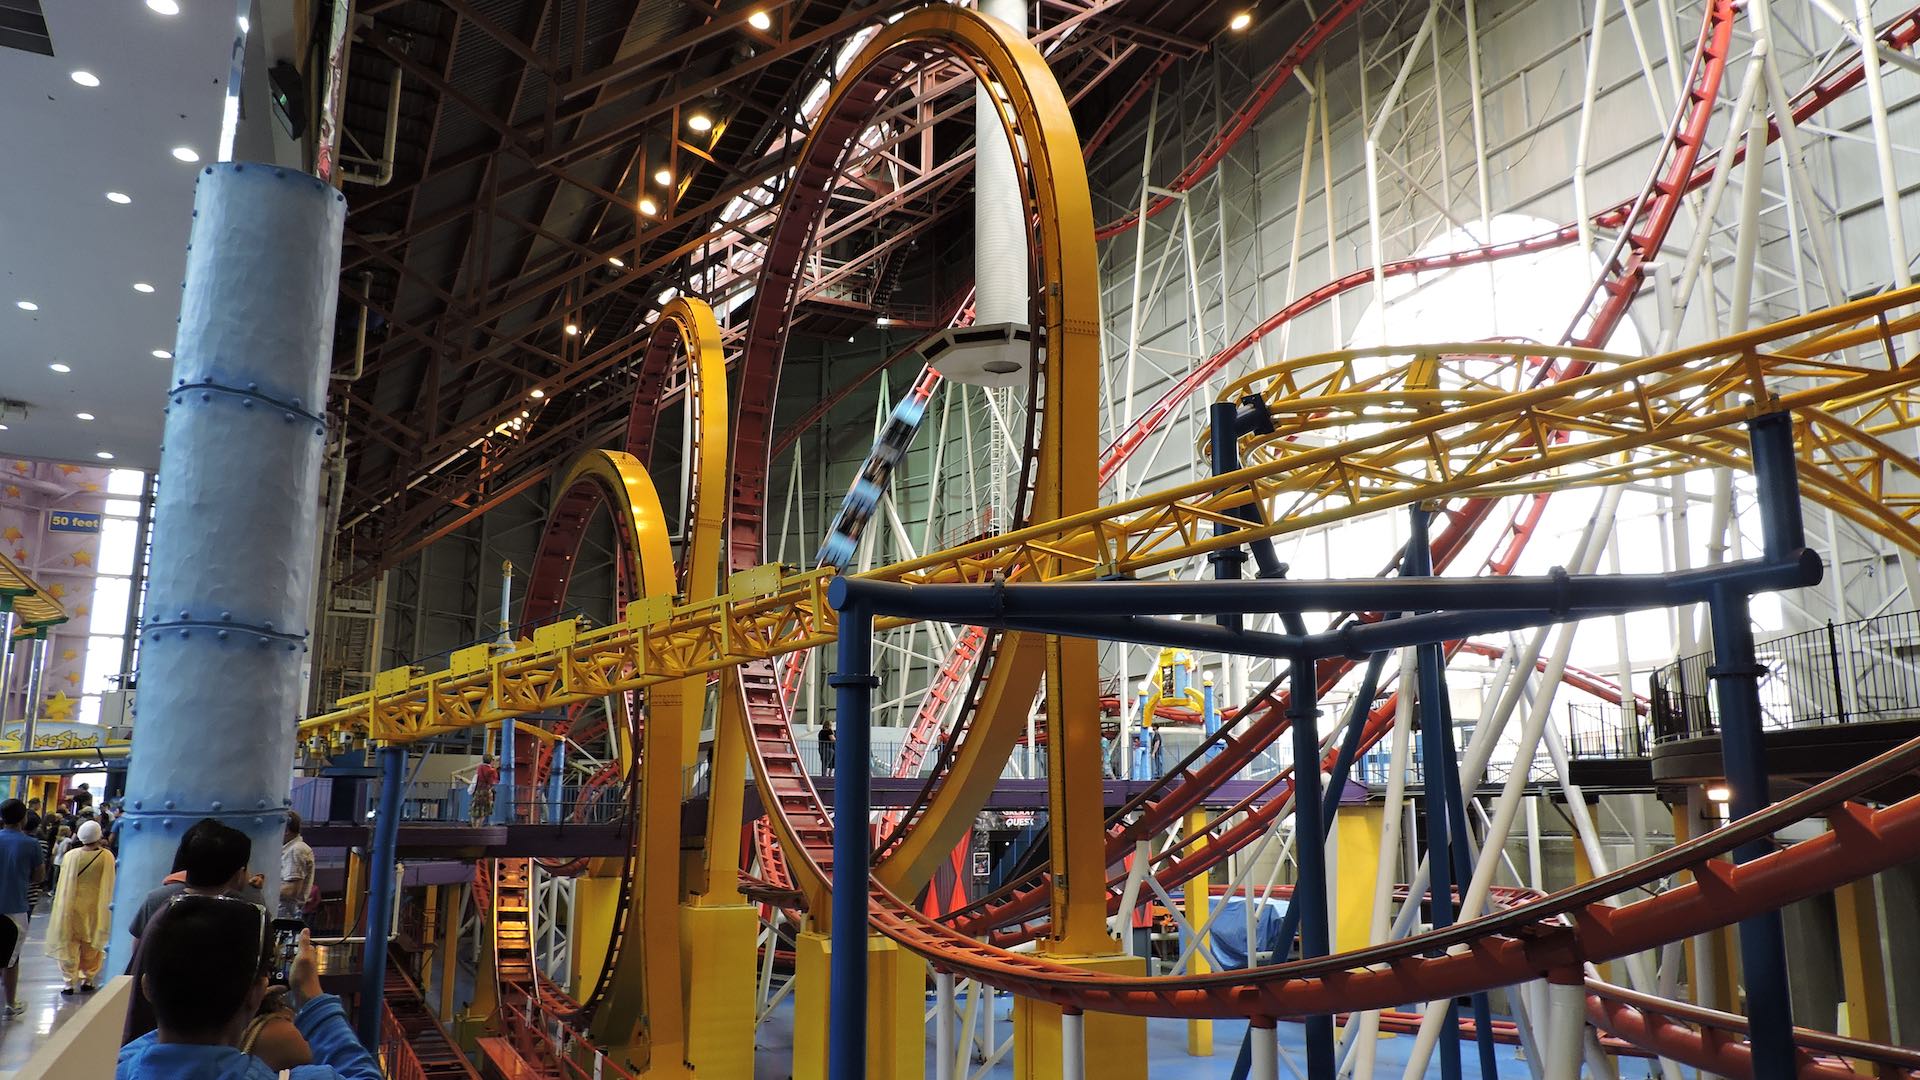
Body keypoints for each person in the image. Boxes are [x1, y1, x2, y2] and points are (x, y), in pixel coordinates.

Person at [116, 894, 382, 1079]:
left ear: (147, 988)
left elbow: (172, 1048)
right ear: (256, 995)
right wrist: (314, 998)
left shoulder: (114, 1066)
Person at [124, 818, 267, 1044]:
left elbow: (139, 951)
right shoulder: (248, 910)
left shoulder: (160, 901)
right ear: (240, 873)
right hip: (218, 1028)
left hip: (158, 1023)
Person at [46, 818, 113, 993]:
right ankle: (88, 979)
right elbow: (110, 883)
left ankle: (68, 982)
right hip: (95, 907)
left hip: (70, 907)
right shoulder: (106, 856)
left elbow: (62, 883)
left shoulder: (71, 855)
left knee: (69, 943)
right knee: (91, 945)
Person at [0, 799, 43, 1017]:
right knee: (12, 958)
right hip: (15, 908)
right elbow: (39, 876)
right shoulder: (31, 844)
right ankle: (10, 1004)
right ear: (24, 818)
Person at [279, 813, 314, 921]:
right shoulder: (291, 849)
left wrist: (262, 888)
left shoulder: (296, 850)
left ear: (286, 830)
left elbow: (291, 890)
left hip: (285, 915)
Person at [469, 754, 499, 824]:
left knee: (475, 810)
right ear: (491, 761)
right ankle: (478, 827)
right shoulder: (492, 770)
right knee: (483, 811)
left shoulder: (480, 767)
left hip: (478, 790)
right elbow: (493, 781)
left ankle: (474, 827)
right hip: (486, 791)